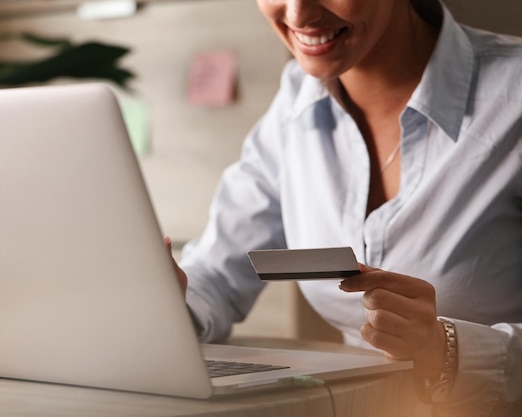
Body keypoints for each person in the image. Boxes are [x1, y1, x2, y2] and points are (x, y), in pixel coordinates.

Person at [165, 0, 522, 416]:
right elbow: (215, 275)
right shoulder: (296, 102)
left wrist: (447, 350)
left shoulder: (512, 96)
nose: (298, 16)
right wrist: (168, 307)